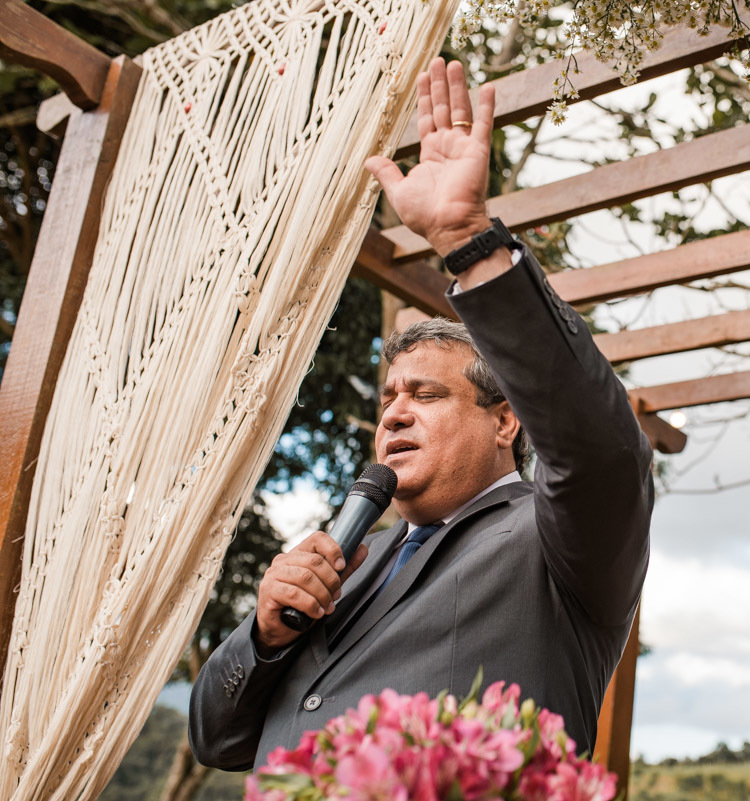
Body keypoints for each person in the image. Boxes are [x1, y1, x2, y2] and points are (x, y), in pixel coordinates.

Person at [188, 57, 654, 770]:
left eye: (427, 395)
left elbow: (600, 452)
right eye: (389, 399)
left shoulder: (555, 542)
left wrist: (469, 239)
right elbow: (217, 740)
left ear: (506, 422)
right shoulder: (350, 559)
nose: (395, 414)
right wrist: (264, 635)